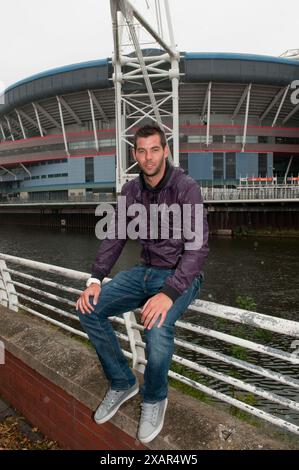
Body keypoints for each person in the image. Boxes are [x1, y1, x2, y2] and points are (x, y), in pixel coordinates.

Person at [76, 124, 209, 444]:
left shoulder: (185, 186)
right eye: (142, 150)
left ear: (165, 151)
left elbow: (198, 246)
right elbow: (116, 235)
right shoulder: (131, 191)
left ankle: (153, 398)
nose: (148, 157)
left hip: (179, 274)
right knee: (89, 308)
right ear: (134, 154)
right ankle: (122, 382)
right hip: (145, 270)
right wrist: (95, 279)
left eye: (154, 149)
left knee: (157, 327)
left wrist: (169, 292)